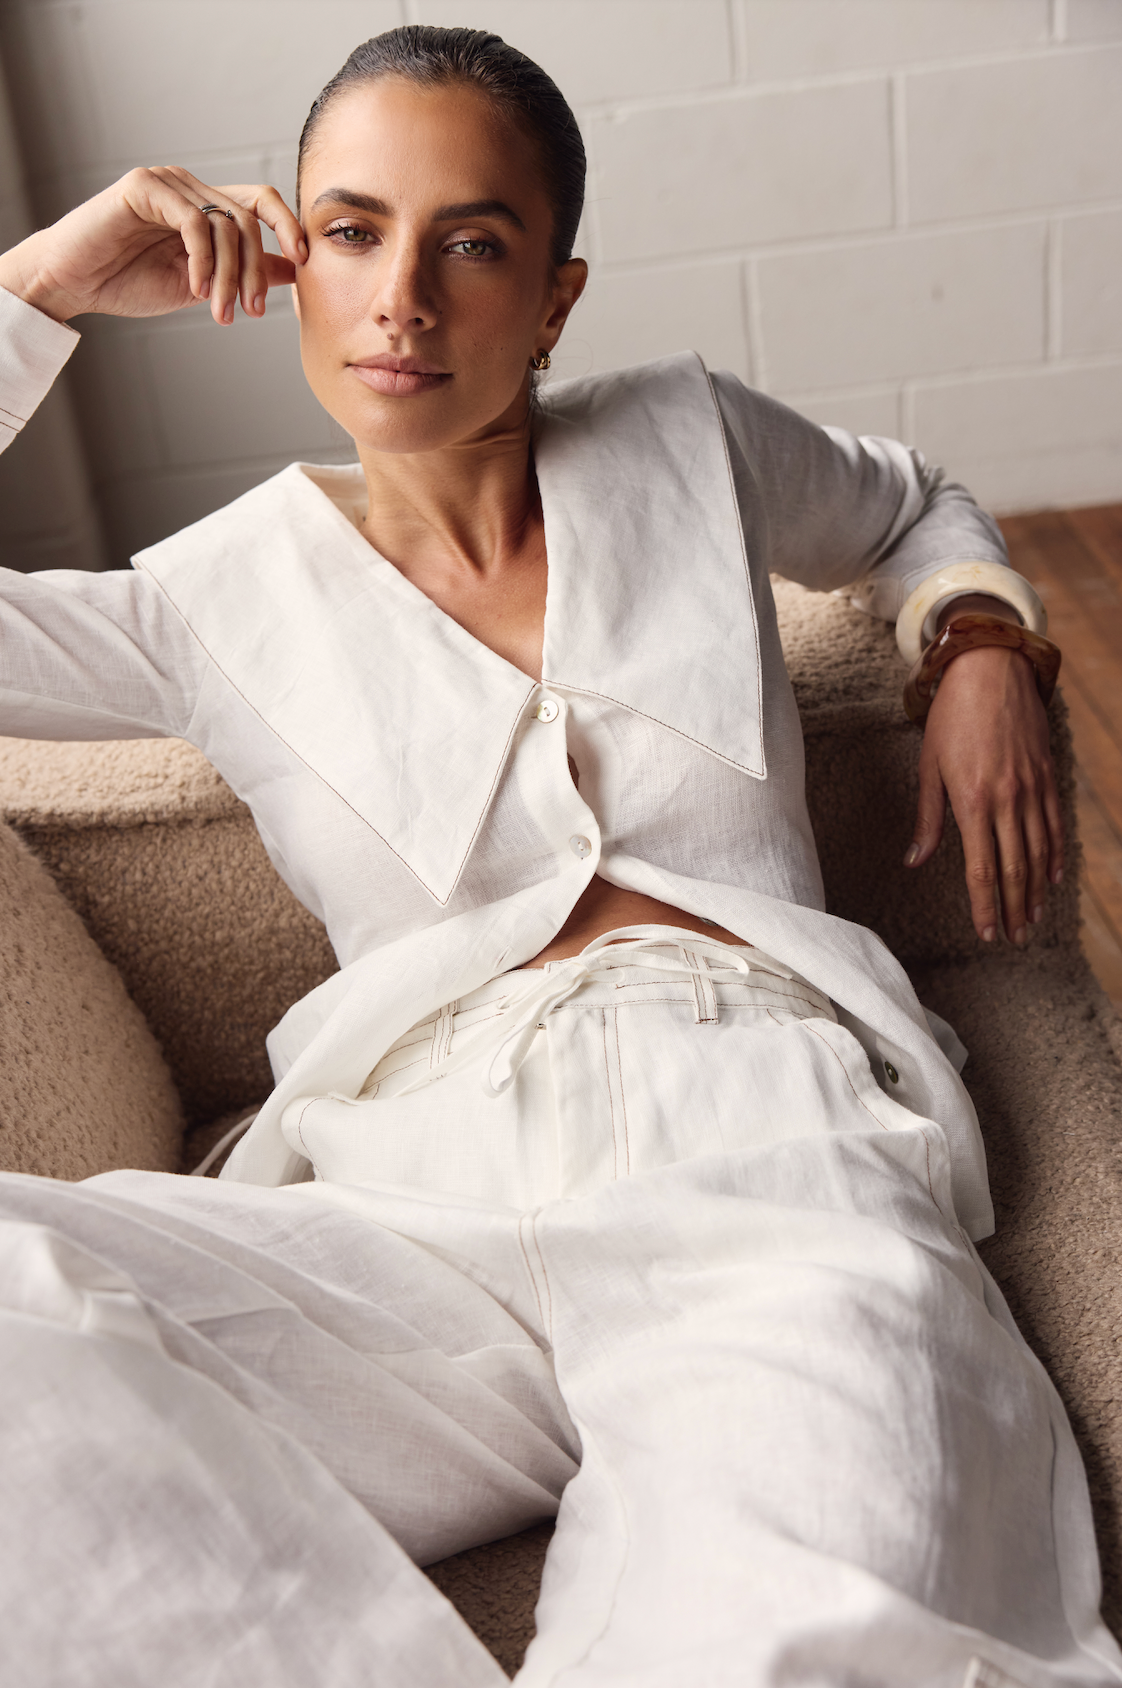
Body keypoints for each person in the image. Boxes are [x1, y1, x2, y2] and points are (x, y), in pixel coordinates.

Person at [0, 24, 1113, 1688]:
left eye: (470, 245)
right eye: (352, 231)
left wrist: (976, 642)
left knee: (806, 1631)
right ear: (289, 258)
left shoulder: (692, 440)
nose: (401, 300)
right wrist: (41, 288)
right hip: (397, 1216)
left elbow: (909, 506)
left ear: (553, 297)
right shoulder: (200, 601)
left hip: (755, 1147)